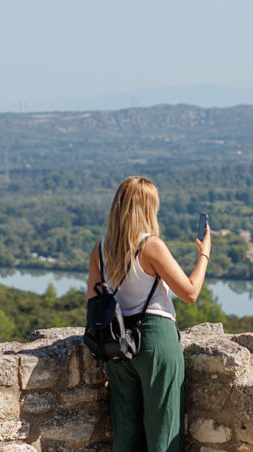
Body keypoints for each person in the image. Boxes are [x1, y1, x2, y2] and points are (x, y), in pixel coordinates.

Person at [86, 176, 211, 452]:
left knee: (126, 434)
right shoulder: (151, 246)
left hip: (117, 344)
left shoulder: (100, 250)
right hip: (155, 337)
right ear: (147, 209)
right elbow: (190, 292)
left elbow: (93, 302)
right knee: (163, 432)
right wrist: (204, 255)